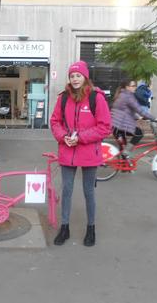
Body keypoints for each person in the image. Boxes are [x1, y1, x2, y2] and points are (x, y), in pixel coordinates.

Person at [50, 61, 111, 247]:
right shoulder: (63, 98)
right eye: (72, 76)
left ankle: (91, 228)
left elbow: (104, 127)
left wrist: (81, 137)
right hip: (67, 151)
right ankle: (65, 227)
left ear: (85, 77)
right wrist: (63, 137)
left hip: (88, 153)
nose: (75, 79)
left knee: (88, 192)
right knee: (67, 190)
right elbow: (55, 122)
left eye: (78, 75)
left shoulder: (96, 98)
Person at [111, 80, 157, 157]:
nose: (135, 88)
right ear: (127, 87)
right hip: (121, 126)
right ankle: (126, 153)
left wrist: (138, 117)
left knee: (123, 149)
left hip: (116, 126)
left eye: (135, 86)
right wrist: (153, 118)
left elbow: (126, 111)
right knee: (139, 133)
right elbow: (139, 110)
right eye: (133, 86)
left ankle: (124, 166)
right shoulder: (128, 97)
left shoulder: (122, 95)